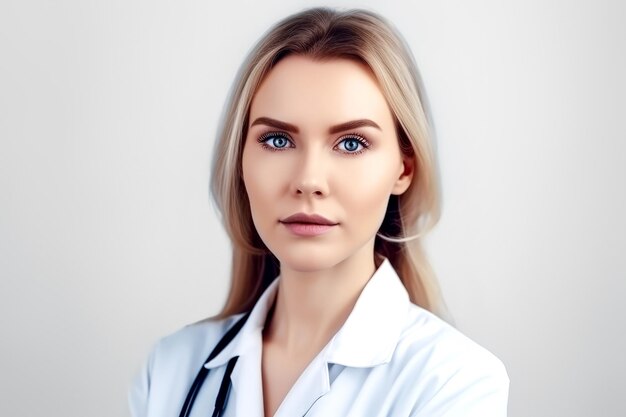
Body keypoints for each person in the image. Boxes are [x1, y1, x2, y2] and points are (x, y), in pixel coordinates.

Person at [128, 7, 509, 417]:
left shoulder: (453, 382)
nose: (308, 180)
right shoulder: (170, 370)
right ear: (240, 160)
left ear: (404, 169)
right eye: (277, 140)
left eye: (351, 144)